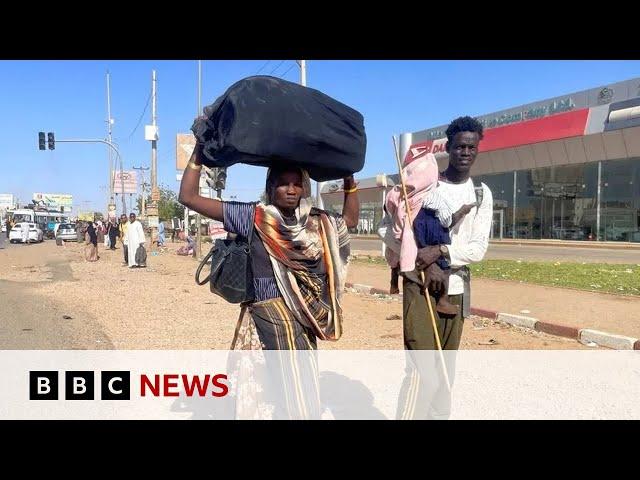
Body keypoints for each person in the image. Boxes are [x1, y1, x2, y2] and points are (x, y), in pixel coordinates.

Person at [179, 141, 359, 350]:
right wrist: (199, 151)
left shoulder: (317, 221)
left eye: (297, 184)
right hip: (269, 314)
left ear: (304, 188)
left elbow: (350, 221)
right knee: (283, 378)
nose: (291, 190)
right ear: (270, 188)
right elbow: (188, 197)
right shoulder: (253, 216)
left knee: (300, 377)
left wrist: (349, 177)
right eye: (283, 183)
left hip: (306, 314)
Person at [396, 116, 493, 420]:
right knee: (421, 371)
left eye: (471, 147)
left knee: (445, 375)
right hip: (420, 286)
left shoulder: (480, 195)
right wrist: (420, 262)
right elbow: (393, 229)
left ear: (477, 150)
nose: (465, 152)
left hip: (456, 290)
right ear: (447, 148)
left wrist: (441, 251)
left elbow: (477, 249)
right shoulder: (424, 184)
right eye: (459, 146)